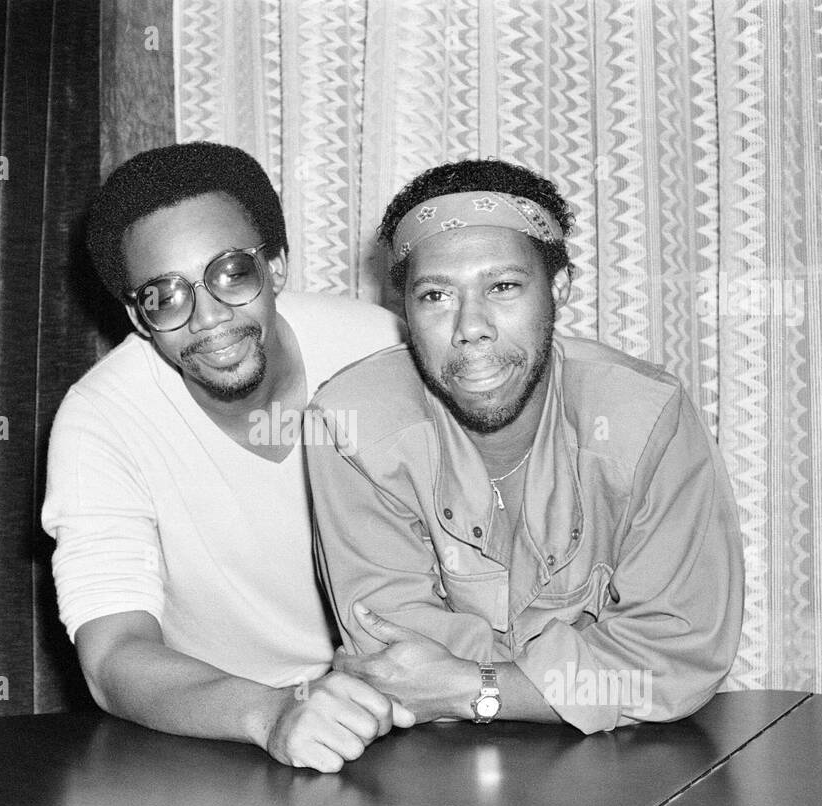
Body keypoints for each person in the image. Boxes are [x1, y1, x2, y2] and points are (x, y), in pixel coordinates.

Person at [305, 159, 744, 734]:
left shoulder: (645, 417)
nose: (472, 327)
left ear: (558, 288)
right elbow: (392, 654)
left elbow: (678, 657)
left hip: (627, 768)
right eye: (436, 295)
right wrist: (583, 673)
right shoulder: (351, 424)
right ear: (405, 311)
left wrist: (474, 685)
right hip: (434, 768)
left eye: (504, 287)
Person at [41, 142, 412, 772]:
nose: (208, 317)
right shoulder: (99, 421)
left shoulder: (382, 351)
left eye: (232, 272)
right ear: (137, 316)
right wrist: (273, 714)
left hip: (417, 711)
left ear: (277, 267)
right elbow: (112, 656)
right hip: (225, 734)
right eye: (166, 294)